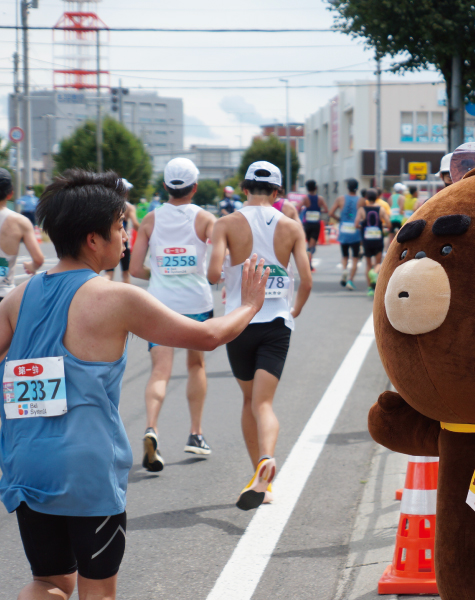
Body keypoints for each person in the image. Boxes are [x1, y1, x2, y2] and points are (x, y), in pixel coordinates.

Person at [0, 169, 268, 600]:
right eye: (119, 226)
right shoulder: (116, 297)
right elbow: (209, 336)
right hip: (87, 469)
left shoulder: (20, 295)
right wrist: (252, 304)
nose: (126, 235)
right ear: (93, 239)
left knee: (49, 582)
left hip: (25, 461)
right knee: (98, 590)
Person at [208, 160, 312, 511]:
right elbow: (307, 279)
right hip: (276, 323)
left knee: (247, 401)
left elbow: (212, 273)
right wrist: (293, 308)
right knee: (264, 404)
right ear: (279, 192)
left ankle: (259, 473)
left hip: (240, 322)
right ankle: (266, 462)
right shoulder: (292, 226)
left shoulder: (225, 223)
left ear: (243, 186)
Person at [130, 158, 216, 472]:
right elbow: (219, 261)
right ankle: (196, 434)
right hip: (196, 302)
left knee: (159, 371)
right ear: (194, 187)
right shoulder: (206, 219)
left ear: (165, 186)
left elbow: (135, 268)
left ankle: (151, 428)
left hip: (160, 304)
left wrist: (162, 273)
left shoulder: (150, 220)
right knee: (196, 365)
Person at [0, 170, 44, 298]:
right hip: (4, 295)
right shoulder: (20, 222)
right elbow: (38, 259)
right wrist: (30, 266)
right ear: (10, 194)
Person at [355, 188, 390, 297]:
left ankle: (370, 288)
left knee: (368, 264)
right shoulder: (381, 209)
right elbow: (388, 224)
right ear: (378, 197)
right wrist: (382, 226)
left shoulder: (362, 210)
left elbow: (356, 224)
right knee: (378, 262)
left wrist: (363, 226)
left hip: (366, 239)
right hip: (378, 238)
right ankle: (375, 273)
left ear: (366, 198)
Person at [328, 178, 362, 290]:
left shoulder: (340, 199)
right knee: (355, 257)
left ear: (347, 187)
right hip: (355, 231)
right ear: (357, 188)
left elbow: (331, 213)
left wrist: (339, 219)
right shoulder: (361, 200)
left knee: (345, 255)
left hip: (343, 229)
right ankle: (350, 281)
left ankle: (344, 270)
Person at [105, 179, 139, 285]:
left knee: (109, 274)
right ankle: (127, 300)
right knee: (125, 274)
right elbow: (135, 224)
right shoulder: (129, 207)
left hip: (109, 242)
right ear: (125, 192)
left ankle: (100, 295)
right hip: (123, 243)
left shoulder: (107, 205)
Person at [302, 180, 328, 271]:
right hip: (315, 225)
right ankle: (308, 263)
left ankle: (308, 262)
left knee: (309, 243)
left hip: (307, 224)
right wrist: (318, 211)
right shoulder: (320, 199)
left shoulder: (305, 198)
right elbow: (326, 210)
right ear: (316, 188)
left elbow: (298, 207)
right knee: (311, 246)